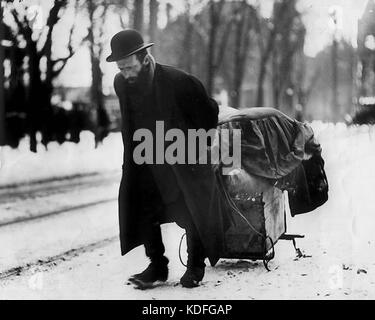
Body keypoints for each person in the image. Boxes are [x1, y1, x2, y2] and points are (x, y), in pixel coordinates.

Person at [107, 29, 228, 288]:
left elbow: (209, 112)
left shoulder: (179, 82)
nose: (125, 73)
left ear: (144, 58)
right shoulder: (121, 84)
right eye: (121, 68)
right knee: (143, 207)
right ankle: (157, 266)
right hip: (147, 157)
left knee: (191, 209)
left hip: (183, 157)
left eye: (129, 67)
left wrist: (197, 150)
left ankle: (195, 265)